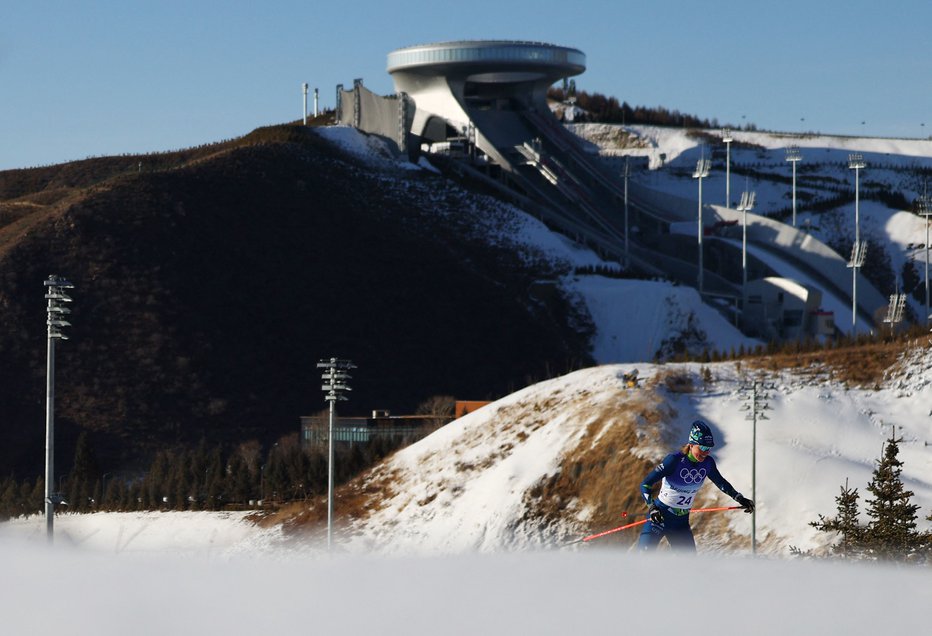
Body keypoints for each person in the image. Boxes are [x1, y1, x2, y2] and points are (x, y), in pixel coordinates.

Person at [637, 420, 754, 552]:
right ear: (691, 444)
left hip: (680, 523)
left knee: (689, 565)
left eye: (708, 449)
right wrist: (652, 507)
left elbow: (721, 483)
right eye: (702, 448)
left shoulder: (708, 463)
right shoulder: (674, 460)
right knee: (643, 557)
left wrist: (740, 498)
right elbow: (645, 484)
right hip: (660, 516)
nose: (705, 452)